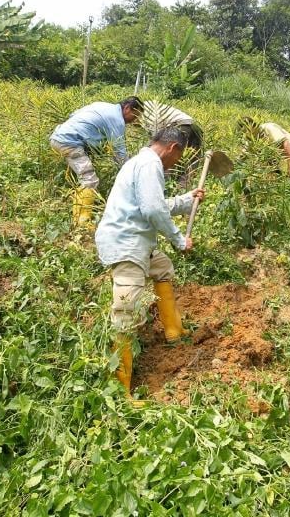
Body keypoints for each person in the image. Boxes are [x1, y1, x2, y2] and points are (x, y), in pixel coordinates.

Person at [95, 127, 205, 398]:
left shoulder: (142, 162)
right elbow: (153, 209)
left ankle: (173, 333)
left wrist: (186, 200)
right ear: (173, 149)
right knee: (126, 314)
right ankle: (120, 393)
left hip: (138, 243)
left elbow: (152, 204)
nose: (176, 163)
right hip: (127, 246)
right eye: (178, 158)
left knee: (163, 267)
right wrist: (179, 240)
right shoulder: (149, 164)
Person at [49, 96, 144, 227]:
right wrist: (132, 174)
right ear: (127, 108)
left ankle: (70, 203)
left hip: (58, 136)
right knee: (90, 180)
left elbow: (73, 115)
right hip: (69, 143)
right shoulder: (117, 120)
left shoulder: (101, 105)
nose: (135, 120)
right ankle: (81, 222)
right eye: (135, 115)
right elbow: (119, 154)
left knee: (81, 173)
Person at [240, 117, 290, 182]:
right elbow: (242, 157)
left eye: (246, 131)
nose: (245, 135)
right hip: (286, 171)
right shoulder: (251, 140)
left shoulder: (268, 128)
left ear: (252, 126)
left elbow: (285, 143)